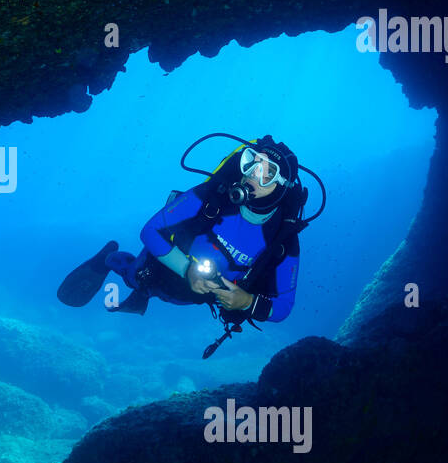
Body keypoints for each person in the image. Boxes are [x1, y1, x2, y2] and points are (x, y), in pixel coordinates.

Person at [57, 136, 302, 326]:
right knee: (137, 279)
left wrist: (247, 302)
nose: (252, 175)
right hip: (163, 263)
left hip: (194, 295)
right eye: (252, 164)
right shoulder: (214, 194)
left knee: (170, 296)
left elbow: (285, 307)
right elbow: (150, 231)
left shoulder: (282, 238)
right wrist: (187, 270)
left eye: (267, 174)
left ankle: (144, 294)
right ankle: (107, 259)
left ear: (282, 187)